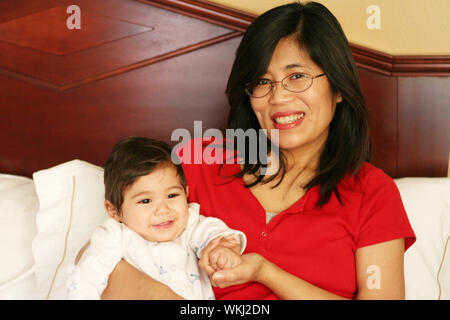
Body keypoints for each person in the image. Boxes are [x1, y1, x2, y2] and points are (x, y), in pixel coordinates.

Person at [79, 1, 416, 300]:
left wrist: (266, 272)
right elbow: (97, 255)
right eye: (262, 81)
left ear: (338, 88)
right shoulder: (200, 161)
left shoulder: (372, 192)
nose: (279, 98)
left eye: (297, 76)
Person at [68, 137, 246, 299]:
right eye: (145, 200)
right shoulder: (115, 235)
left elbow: (211, 230)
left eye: (172, 196)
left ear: (186, 193)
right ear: (114, 210)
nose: (163, 209)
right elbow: (88, 276)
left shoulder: (188, 225)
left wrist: (222, 246)